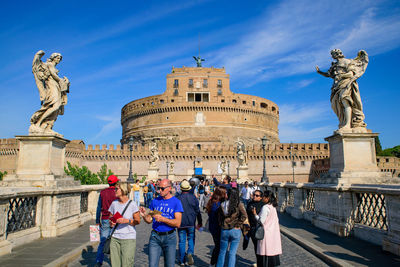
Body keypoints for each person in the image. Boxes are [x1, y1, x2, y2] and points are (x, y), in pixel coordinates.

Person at [139, 179, 183, 267]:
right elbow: (150, 220)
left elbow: (178, 223)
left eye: (162, 189)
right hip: (155, 237)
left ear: (169, 188)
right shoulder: (155, 201)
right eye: (158, 188)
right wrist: (144, 215)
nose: (159, 191)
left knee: (169, 265)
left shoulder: (176, 202)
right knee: (152, 265)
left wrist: (163, 219)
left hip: (170, 237)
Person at [109, 182, 141, 267]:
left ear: (123, 190)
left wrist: (127, 221)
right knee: (114, 264)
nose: (114, 190)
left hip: (128, 238)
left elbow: (138, 221)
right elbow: (111, 217)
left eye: (117, 189)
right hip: (115, 237)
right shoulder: (114, 203)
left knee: (127, 264)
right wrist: (111, 223)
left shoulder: (132, 204)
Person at [217, 187, 248, 267]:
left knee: (222, 252)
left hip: (225, 229)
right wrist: (238, 224)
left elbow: (219, 217)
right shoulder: (239, 204)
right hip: (235, 230)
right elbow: (244, 215)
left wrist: (221, 224)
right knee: (232, 253)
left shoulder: (223, 204)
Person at [177, 180, 203, 266]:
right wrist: (200, 222)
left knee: (181, 241)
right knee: (191, 239)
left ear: (181, 189)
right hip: (191, 222)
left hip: (180, 223)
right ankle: (190, 253)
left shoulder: (178, 198)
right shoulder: (193, 198)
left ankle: (181, 261)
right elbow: (197, 211)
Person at [252, 191, 282, 267]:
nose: (262, 199)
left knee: (265, 252)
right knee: (271, 251)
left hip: (266, 233)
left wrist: (255, 214)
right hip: (273, 232)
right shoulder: (273, 206)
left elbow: (261, 221)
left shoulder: (265, 207)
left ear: (267, 198)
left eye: (264, 197)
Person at [95, 175, 119, 267]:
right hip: (115, 219)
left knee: (103, 240)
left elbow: (98, 207)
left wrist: (97, 220)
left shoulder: (103, 192)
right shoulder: (117, 192)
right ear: (116, 183)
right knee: (114, 241)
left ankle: (98, 261)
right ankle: (114, 261)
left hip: (104, 218)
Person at [205, 186, 227, 267]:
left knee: (218, 246)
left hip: (214, 227)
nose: (226, 194)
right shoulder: (216, 204)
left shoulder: (214, 202)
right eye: (225, 193)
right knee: (218, 247)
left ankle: (214, 263)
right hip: (216, 228)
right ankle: (213, 263)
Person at [245, 190, 265, 258]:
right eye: (254, 194)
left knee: (261, 247)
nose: (254, 196)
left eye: (257, 195)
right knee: (256, 246)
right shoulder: (250, 203)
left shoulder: (263, 205)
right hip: (252, 228)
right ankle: (259, 261)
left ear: (261, 197)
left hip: (260, 228)